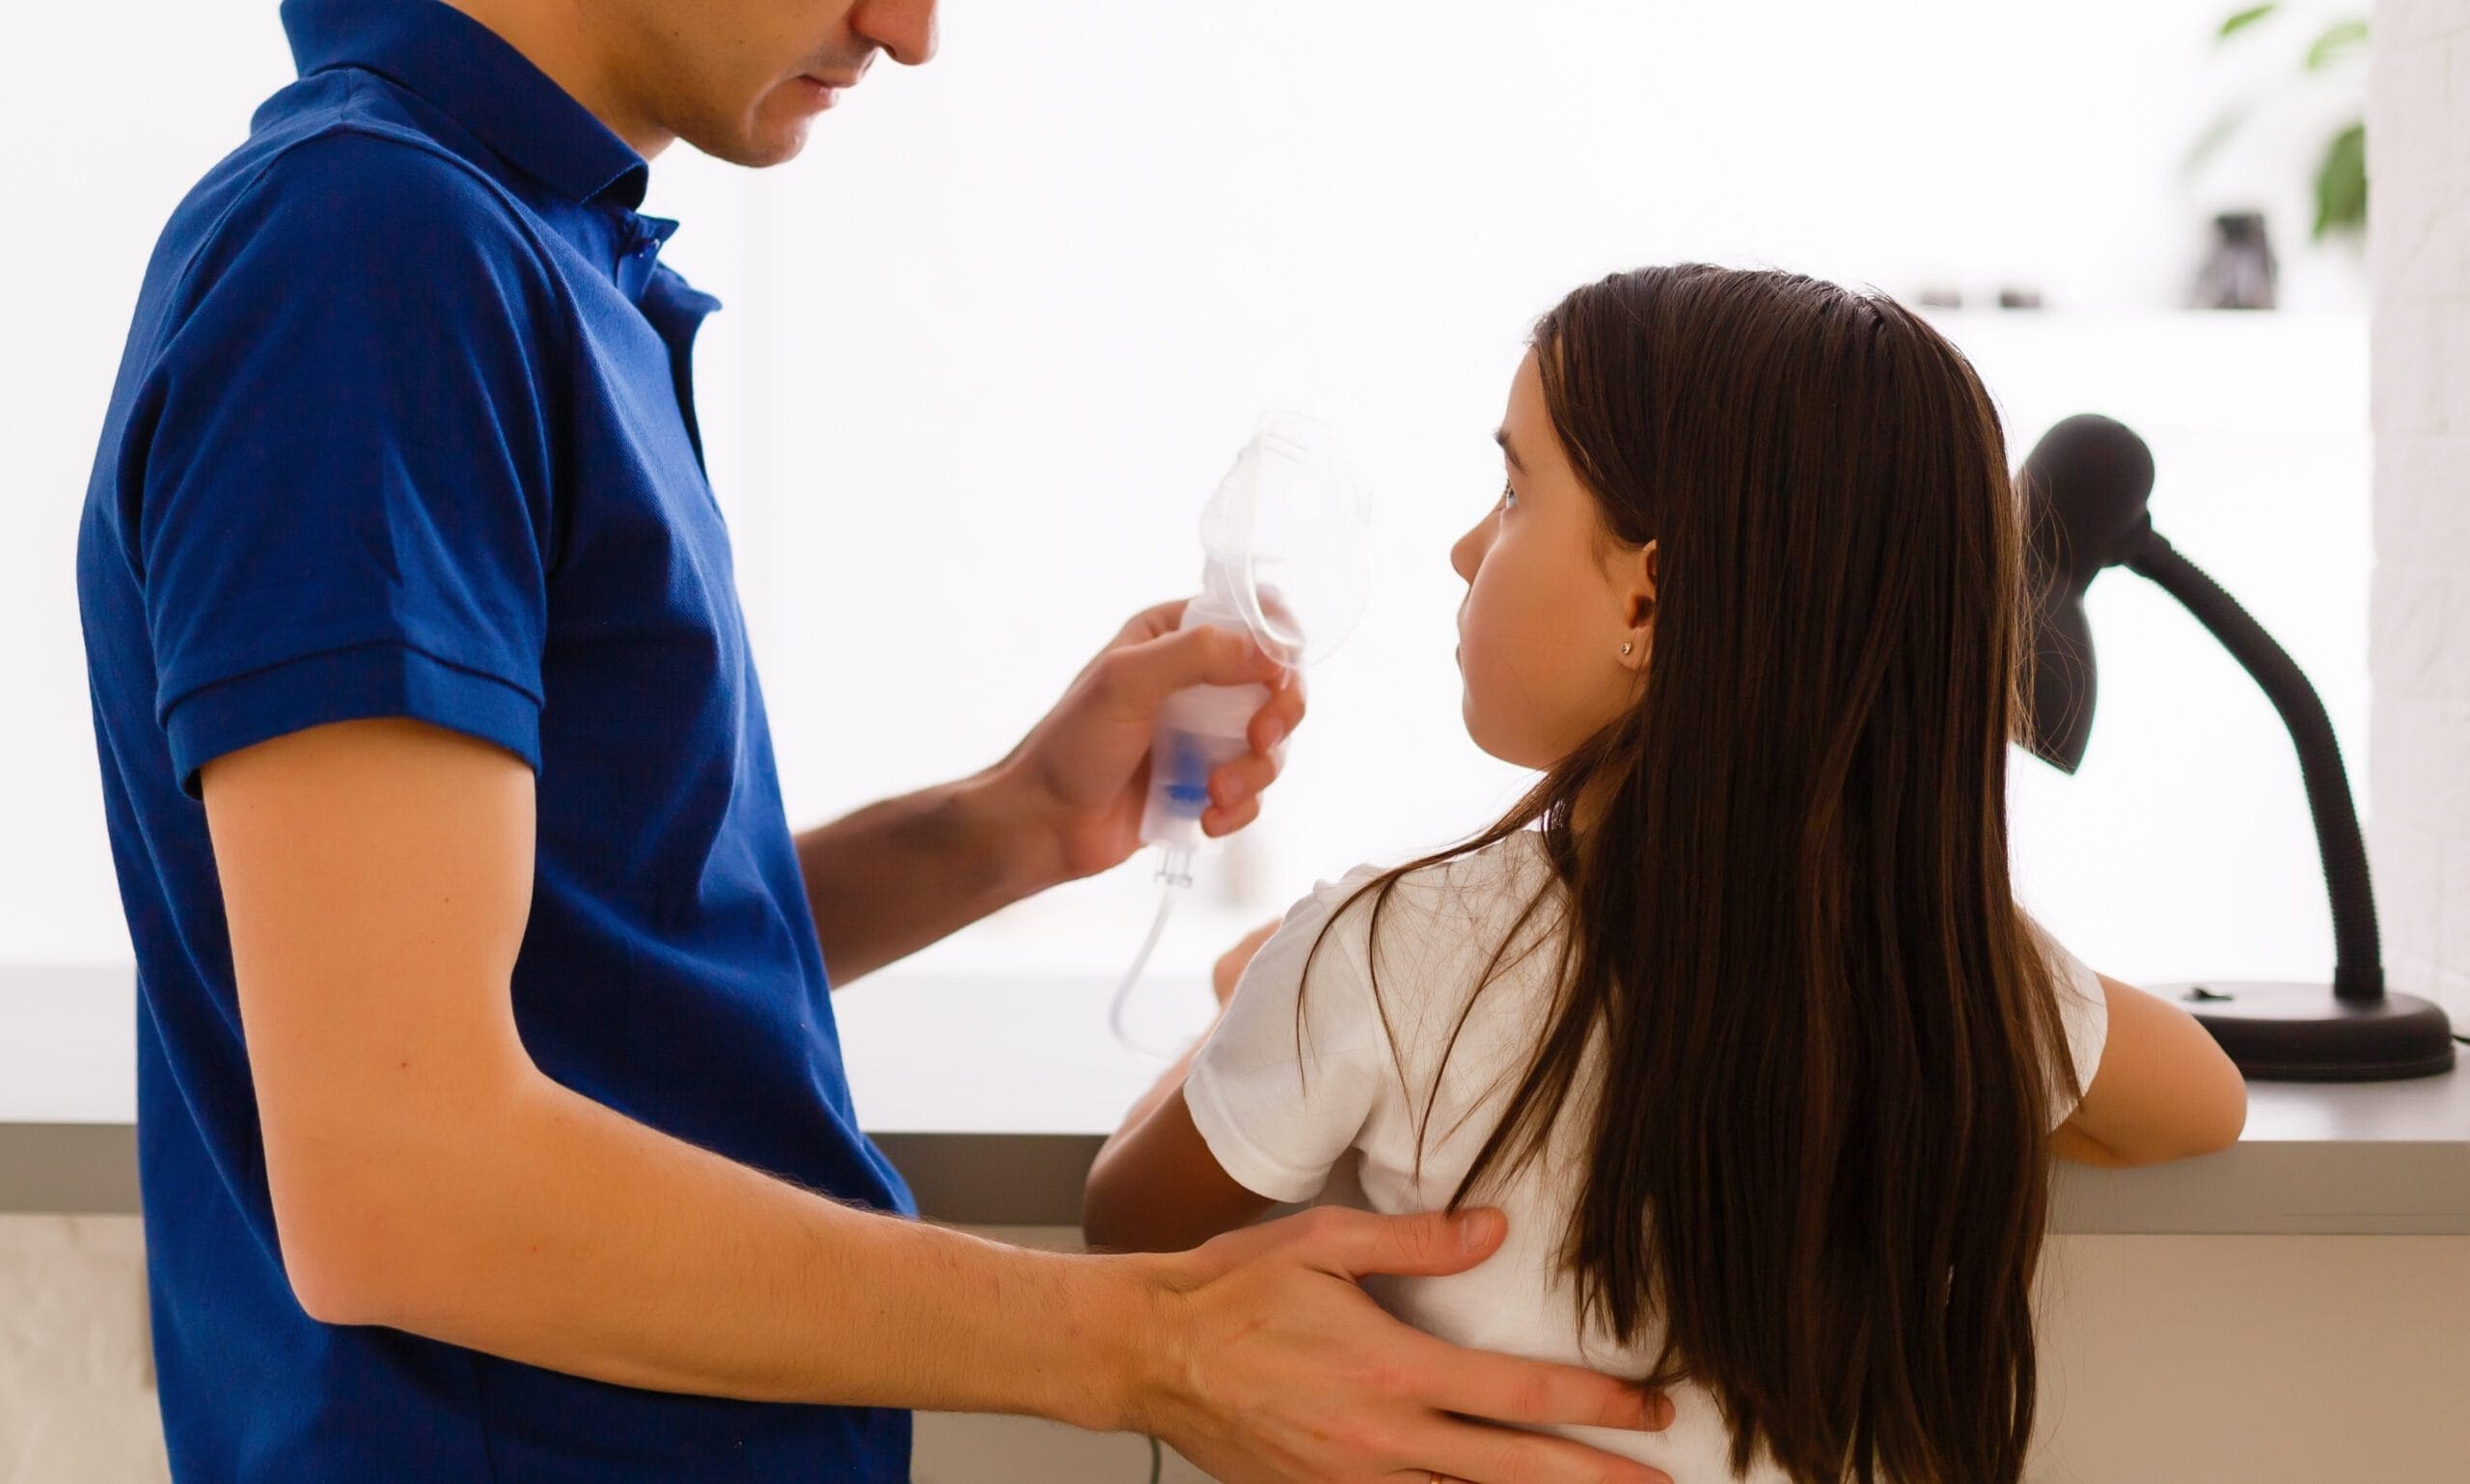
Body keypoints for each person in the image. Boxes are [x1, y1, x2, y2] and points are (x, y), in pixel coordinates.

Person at [73, 1, 1683, 1480]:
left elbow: (566, 963)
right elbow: (402, 1177)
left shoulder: (519, 253)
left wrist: (1011, 823)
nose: (908, 31)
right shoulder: (369, 264)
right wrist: (1139, 1339)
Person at [1084, 265, 2251, 1484]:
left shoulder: (1381, 952)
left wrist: (1266, 978)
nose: (1462, 546)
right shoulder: (1946, 972)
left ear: (1647, 592)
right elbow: (2199, 1100)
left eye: (1512, 489)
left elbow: (1130, 1220)